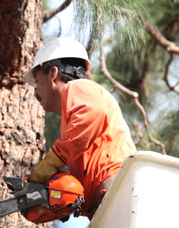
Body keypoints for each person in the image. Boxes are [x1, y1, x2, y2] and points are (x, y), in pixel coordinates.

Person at [24, 37, 136, 218]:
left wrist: (52, 161)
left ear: (53, 73)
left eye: (37, 81)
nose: (35, 91)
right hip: (105, 190)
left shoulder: (77, 87)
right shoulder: (72, 114)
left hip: (113, 183)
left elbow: (92, 114)